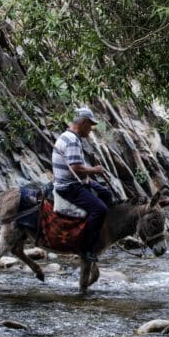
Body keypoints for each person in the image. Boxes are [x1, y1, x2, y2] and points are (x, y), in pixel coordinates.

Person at [52, 106, 115, 262]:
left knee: (106, 194)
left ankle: (97, 230)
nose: (91, 129)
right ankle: (87, 247)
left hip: (75, 180)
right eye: (90, 125)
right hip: (69, 186)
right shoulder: (73, 140)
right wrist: (95, 170)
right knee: (100, 209)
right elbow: (76, 168)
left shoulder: (68, 136)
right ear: (83, 123)